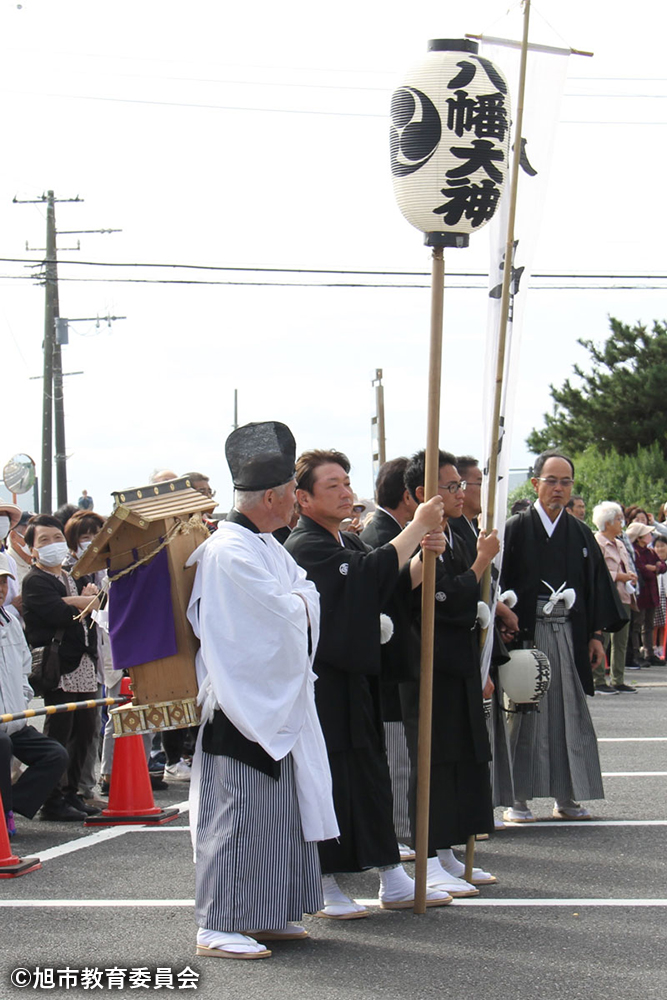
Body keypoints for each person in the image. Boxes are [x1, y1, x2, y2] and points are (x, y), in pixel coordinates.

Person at [186, 421, 339, 960]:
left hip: (273, 697)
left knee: (276, 814)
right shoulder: (230, 551)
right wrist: (299, 601)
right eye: (291, 496)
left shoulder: (264, 545)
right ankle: (219, 922)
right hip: (241, 700)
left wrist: (298, 600)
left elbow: (302, 593)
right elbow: (283, 613)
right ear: (272, 497)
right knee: (238, 813)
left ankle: (265, 912)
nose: (296, 506)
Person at [286, 449, 451, 915]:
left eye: (346, 481)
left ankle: (390, 874)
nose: (344, 491)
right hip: (322, 684)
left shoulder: (348, 541)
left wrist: (423, 559)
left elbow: (388, 585)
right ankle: (323, 879)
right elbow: (362, 578)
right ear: (303, 497)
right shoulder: (305, 546)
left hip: (356, 682)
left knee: (370, 776)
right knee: (330, 780)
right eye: (331, 485)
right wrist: (416, 528)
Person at [500, 451, 625, 823]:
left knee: (570, 713)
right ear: (535, 483)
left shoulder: (580, 533)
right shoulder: (516, 528)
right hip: (526, 633)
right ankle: (517, 798)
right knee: (523, 713)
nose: (558, 488)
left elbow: (592, 589)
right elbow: (499, 582)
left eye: (565, 482)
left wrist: (596, 636)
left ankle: (566, 795)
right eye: (551, 480)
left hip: (569, 632)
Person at [402, 449, 499, 894]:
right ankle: (430, 850)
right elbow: (439, 600)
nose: (461, 493)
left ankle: (450, 849)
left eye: (463, 484)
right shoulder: (421, 538)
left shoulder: (459, 531)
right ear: (423, 494)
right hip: (429, 664)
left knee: (462, 756)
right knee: (434, 759)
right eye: (451, 486)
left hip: (458, 662)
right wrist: (480, 564)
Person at [22, 514, 101, 821]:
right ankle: (52, 798)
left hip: (83, 661)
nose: (52, 545)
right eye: (43, 541)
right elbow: (59, 615)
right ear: (31, 550)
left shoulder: (73, 575)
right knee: (60, 731)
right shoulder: (35, 580)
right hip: (59, 666)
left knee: (85, 730)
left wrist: (80, 601)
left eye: (56, 539)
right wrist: (80, 603)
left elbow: (94, 608)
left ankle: (71, 794)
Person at [359, 457, 417, 858]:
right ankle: (396, 829)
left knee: (401, 749)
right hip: (384, 657)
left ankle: (403, 825)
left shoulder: (394, 532)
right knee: (393, 750)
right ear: (409, 496)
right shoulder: (382, 532)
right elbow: (385, 588)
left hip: (399, 653)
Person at [0, 552, 69, 836]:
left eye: (4, 581)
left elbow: (25, 667)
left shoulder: (11, 622)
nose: (1, 588)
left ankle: (11, 806)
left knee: (55, 755)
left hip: (15, 719)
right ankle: (4, 816)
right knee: (2, 745)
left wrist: (23, 697)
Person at [592, 502, 638, 694]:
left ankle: (618, 679)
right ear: (607, 522)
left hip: (624, 596)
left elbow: (626, 566)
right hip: (607, 597)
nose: (622, 523)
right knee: (603, 639)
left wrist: (631, 577)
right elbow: (597, 572)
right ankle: (598, 679)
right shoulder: (597, 542)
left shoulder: (620, 543)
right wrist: (620, 576)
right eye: (618, 519)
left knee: (621, 640)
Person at [628, 522, 666, 667]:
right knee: (638, 624)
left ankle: (650, 653)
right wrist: (654, 569)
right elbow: (642, 570)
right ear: (639, 537)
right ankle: (637, 653)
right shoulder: (635, 552)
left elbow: (662, 565)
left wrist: (655, 568)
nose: (650, 536)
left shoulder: (650, 552)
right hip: (641, 593)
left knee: (650, 624)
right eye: (647, 534)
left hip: (652, 592)